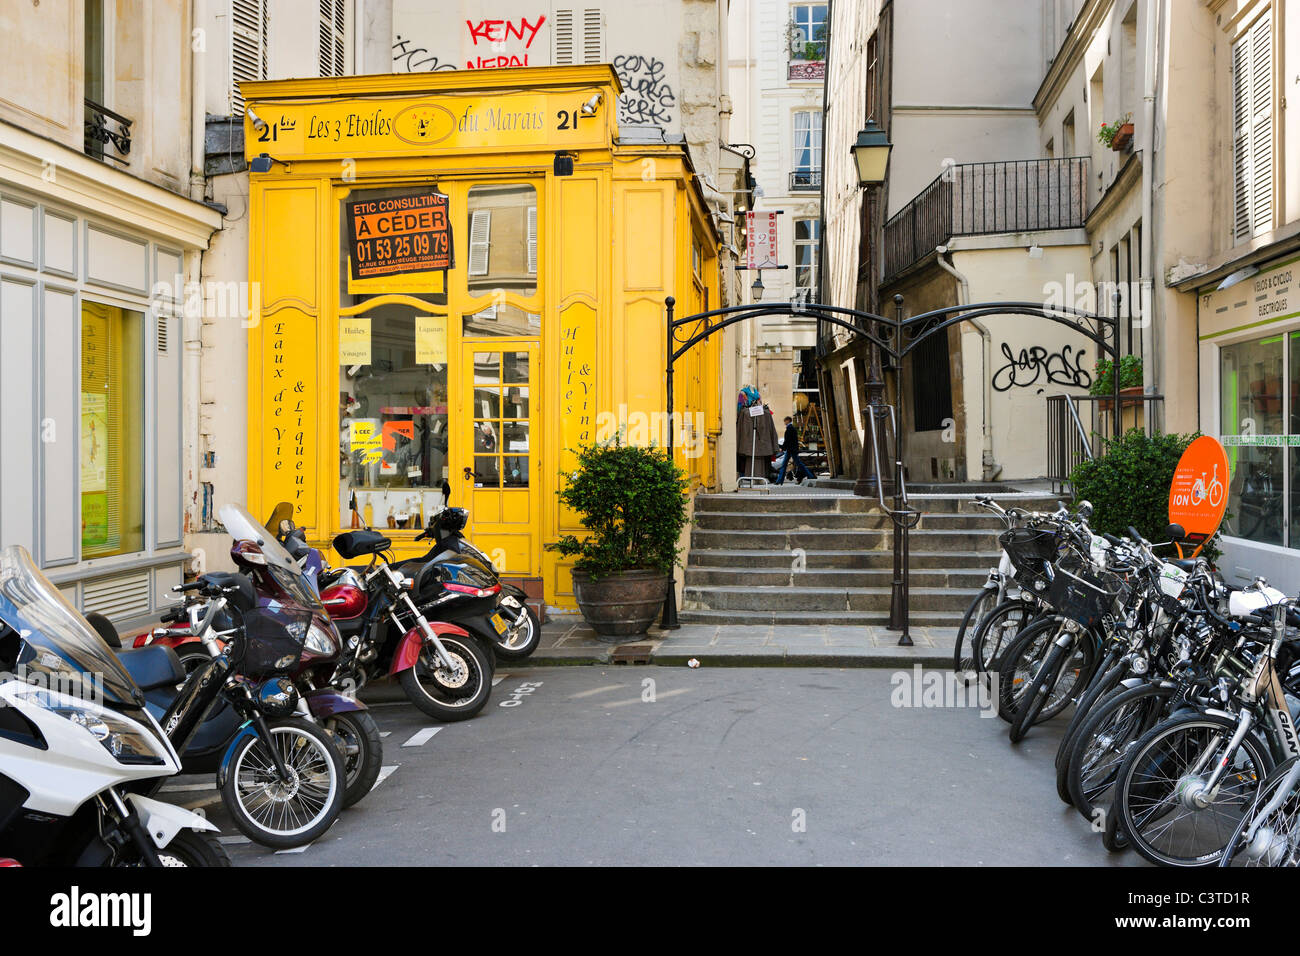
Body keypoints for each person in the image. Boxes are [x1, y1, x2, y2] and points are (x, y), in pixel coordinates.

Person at [774, 416, 815, 485]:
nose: (784, 423)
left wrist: (783, 448)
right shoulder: (791, 428)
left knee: (797, 464)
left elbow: (788, 441)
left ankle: (810, 476)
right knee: (787, 464)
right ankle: (779, 481)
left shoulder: (790, 429)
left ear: (788, 421)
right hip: (791, 450)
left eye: (785, 421)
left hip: (791, 450)